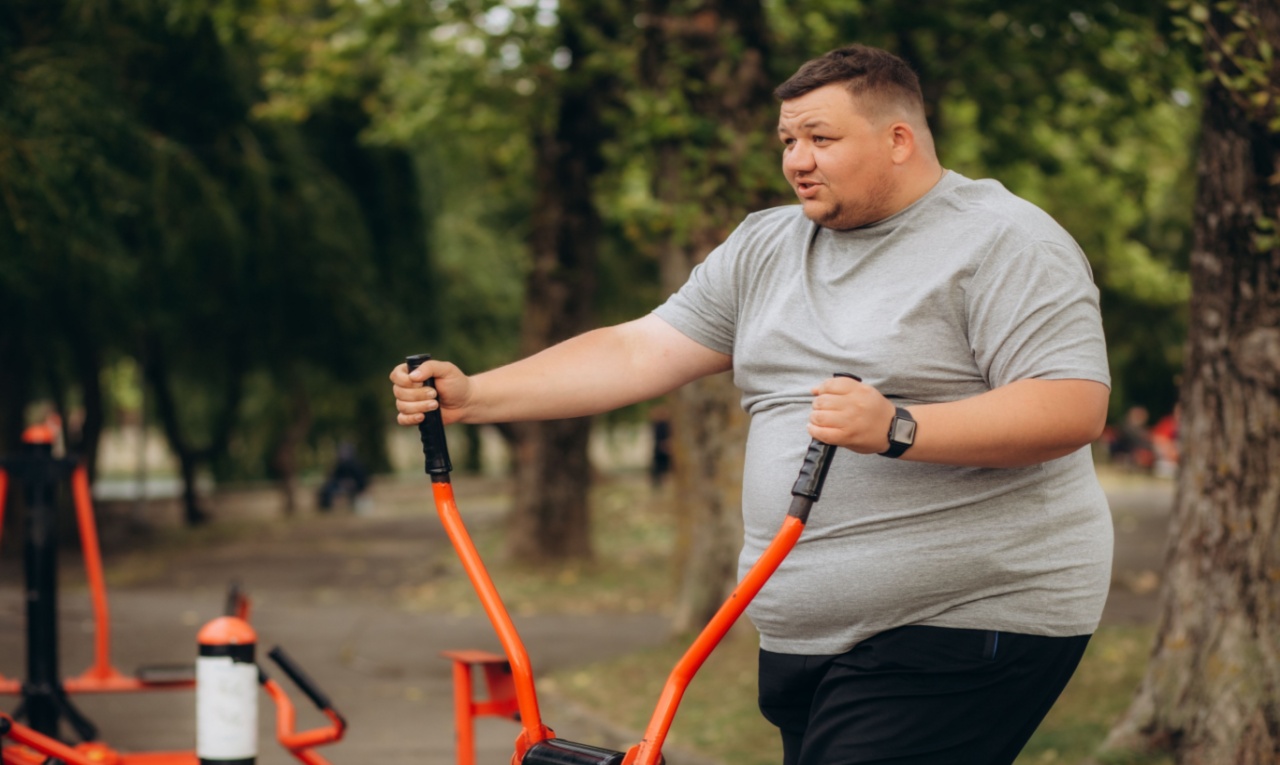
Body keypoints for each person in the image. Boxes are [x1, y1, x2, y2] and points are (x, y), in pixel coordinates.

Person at [391, 43, 1111, 765]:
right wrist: (478, 394)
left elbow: (1071, 405)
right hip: (803, 635)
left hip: (964, 620)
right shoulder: (765, 244)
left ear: (899, 139)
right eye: (788, 140)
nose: (798, 159)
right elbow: (641, 348)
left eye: (821, 138)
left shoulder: (1003, 240)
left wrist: (898, 426)